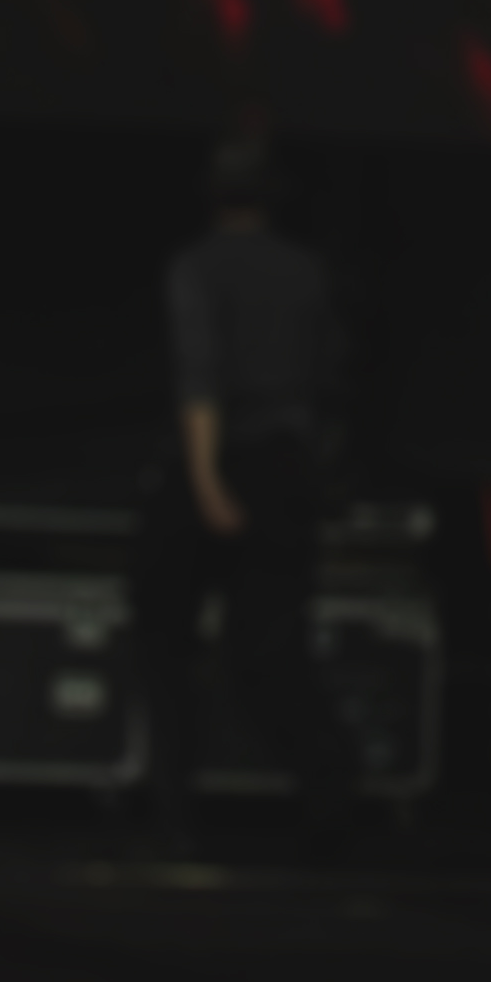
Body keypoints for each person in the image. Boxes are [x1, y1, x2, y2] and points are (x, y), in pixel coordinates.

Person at [129, 124, 354, 844]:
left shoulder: (197, 266)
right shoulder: (308, 272)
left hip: (222, 459)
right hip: (285, 462)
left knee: (168, 640)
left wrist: (205, 480)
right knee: (272, 642)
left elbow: (200, 376)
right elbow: (327, 380)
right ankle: (328, 793)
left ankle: (175, 804)